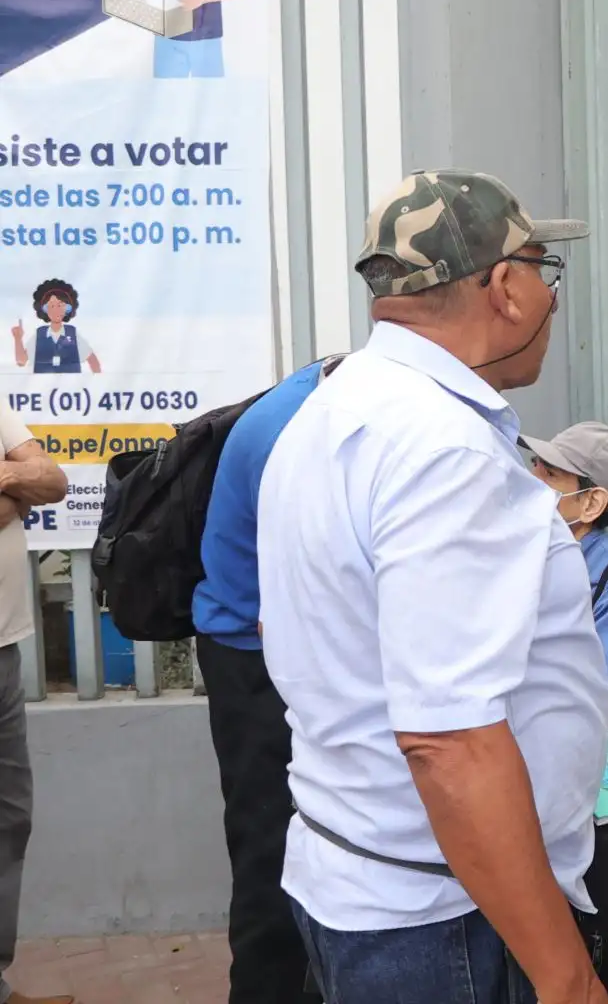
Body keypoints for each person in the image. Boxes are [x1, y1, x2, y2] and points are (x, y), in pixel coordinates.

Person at [256, 170, 608, 1004]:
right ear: (505, 288)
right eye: (541, 269)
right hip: (445, 921)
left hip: (373, 881)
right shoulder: (441, 450)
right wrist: (567, 980)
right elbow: (448, 743)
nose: (550, 299)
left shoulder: (331, 411)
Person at [191, 356, 341, 1004]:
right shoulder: (300, 429)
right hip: (252, 660)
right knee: (270, 860)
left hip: (279, 649)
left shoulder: (321, 398)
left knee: (307, 849)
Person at [0, 400, 75, 1004]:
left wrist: (15, 481)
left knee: (8, 817)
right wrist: (15, 487)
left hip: (3, 652)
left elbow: (54, 481)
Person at [520, 423, 608, 718]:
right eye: (534, 466)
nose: (531, 480)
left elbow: (591, 688)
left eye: (550, 474)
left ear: (592, 502)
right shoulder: (519, 555)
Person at [12, 280, 100, 374]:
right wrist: (18, 338)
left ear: (68, 308)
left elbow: (93, 360)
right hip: (42, 386)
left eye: (60, 305)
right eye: (51, 306)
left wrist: (97, 383)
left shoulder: (73, 334)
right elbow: (21, 361)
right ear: (44, 310)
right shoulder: (39, 335)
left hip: (70, 387)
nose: (56, 310)